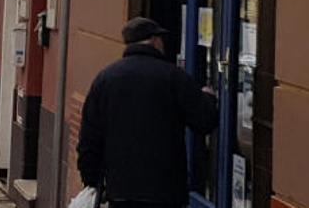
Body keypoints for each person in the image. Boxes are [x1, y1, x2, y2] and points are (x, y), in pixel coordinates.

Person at [76, 17, 218, 208]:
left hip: (121, 191)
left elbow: (89, 139)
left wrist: (92, 181)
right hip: (165, 192)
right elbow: (205, 121)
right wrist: (208, 98)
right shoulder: (173, 77)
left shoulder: (106, 79)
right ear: (154, 41)